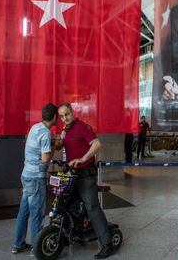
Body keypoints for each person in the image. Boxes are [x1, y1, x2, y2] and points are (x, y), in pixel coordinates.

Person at [57, 103, 115, 259]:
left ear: (73, 112)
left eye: (67, 114)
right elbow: (63, 148)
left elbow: (97, 144)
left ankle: (107, 244)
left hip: (85, 174)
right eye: (62, 116)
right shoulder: (65, 131)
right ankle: (72, 235)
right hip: (72, 175)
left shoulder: (82, 126)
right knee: (69, 205)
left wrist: (83, 159)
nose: (65, 118)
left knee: (92, 208)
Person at [12, 103, 58, 254]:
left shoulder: (35, 127)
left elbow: (37, 148)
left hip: (26, 175)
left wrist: (52, 141)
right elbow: (45, 160)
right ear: (55, 117)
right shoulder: (45, 134)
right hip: (36, 179)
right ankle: (37, 249)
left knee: (23, 212)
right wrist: (54, 149)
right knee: (37, 214)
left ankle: (18, 244)